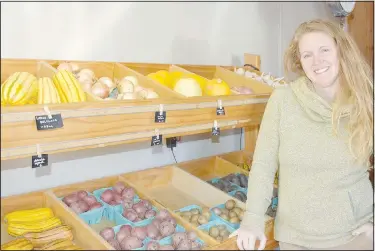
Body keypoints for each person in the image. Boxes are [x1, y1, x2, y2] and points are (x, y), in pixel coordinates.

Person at [231, 19, 374, 250]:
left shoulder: (366, 102)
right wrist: (253, 218)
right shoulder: (282, 100)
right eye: (307, 55)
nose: (317, 61)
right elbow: (263, 166)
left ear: (341, 51)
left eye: (324, 50)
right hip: (296, 239)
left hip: (354, 235)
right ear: (300, 62)